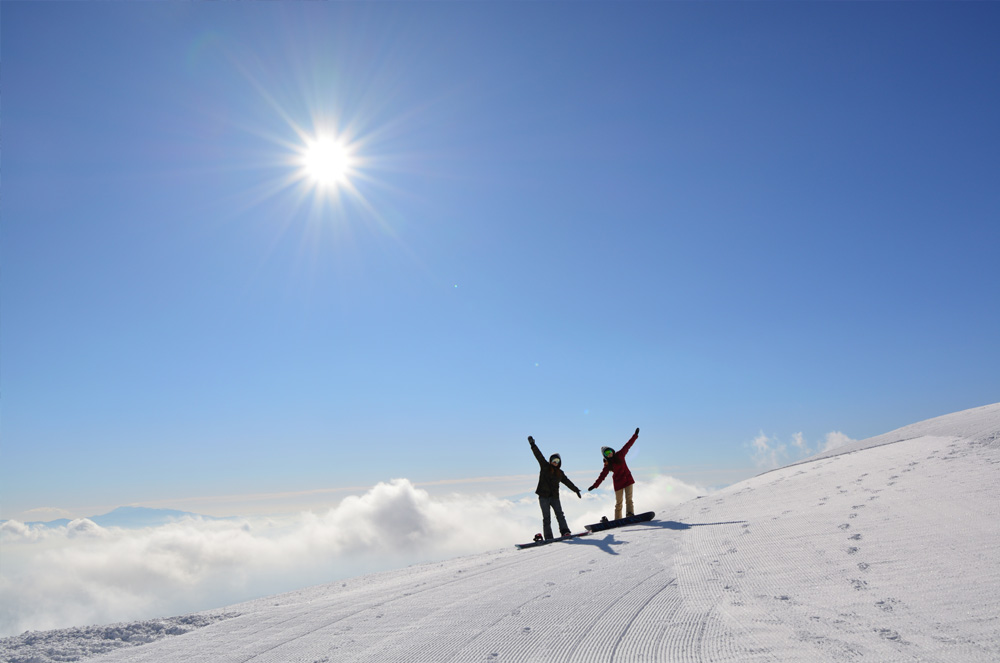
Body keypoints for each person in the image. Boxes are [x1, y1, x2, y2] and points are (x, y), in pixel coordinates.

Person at [528, 435, 582, 540]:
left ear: (559, 463)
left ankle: (565, 531)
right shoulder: (545, 466)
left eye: (557, 461)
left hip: (554, 497)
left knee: (560, 515)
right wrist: (532, 444)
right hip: (543, 497)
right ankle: (548, 537)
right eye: (554, 460)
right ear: (550, 460)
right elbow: (538, 455)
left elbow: (567, 482)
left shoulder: (559, 473)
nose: (555, 463)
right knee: (546, 518)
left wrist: (576, 490)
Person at [588, 427, 640, 520]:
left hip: (627, 479)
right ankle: (618, 520)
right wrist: (595, 485)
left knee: (629, 499)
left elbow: (628, 445)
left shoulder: (620, 454)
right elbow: (602, 476)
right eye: (606, 454)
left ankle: (630, 514)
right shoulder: (607, 465)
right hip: (618, 483)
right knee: (618, 503)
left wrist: (635, 435)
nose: (609, 454)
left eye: (609, 452)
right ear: (605, 456)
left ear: (612, 451)